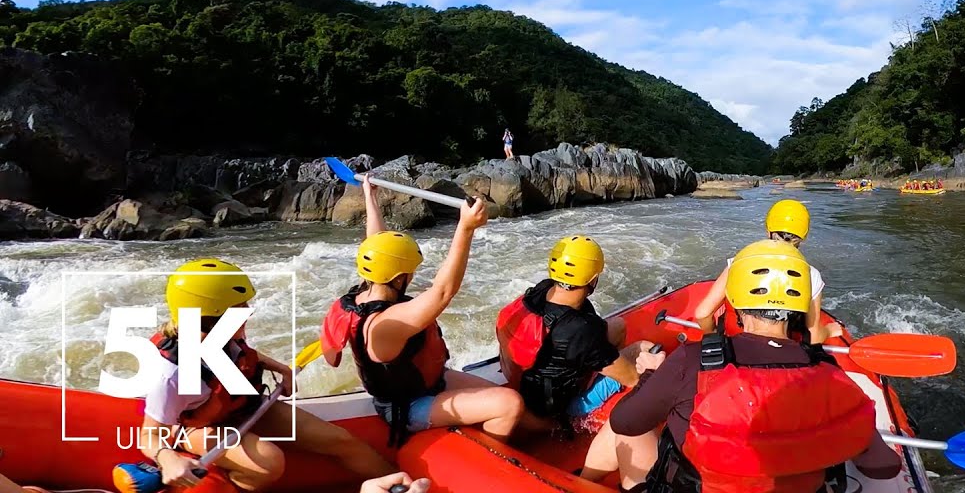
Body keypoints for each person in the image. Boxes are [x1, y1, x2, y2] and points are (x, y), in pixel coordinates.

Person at [599, 240, 901, 493]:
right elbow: (884, 466)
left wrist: (650, 373)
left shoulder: (692, 359)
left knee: (624, 435)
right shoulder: (829, 372)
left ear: (734, 298)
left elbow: (625, 423)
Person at [133, 259, 394, 491]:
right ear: (209, 318)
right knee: (268, 461)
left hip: (239, 407)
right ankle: (231, 485)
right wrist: (167, 458)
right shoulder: (171, 374)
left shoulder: (220, 334)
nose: (249, 311)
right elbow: (149, 436)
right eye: (240, 307)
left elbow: (242, 355)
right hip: (193, 429)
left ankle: (399, 484)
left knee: (341, 440)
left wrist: (280, 368)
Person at [320, 180, 523, 447]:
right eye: (410, 272)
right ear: (398, 278)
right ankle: (489, 458)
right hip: (409, 407)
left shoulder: (369, 287)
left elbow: (377, 243)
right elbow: (442, 292)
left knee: (505, 399)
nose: (413, 276)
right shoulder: (385, 325)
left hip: (429, 384)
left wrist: (370, 196)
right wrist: (465, 228)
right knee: (509, 404)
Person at [496, 236, 659, 437]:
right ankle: (587, 406)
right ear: (593, 280)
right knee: (644, 348)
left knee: (617, 326)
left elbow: (573, 336)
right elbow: (632, 378)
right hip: (563, 407)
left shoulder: (542, 289)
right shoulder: (580, 330)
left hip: (529, 383)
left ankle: (603, 362)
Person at [692, 199, 835, 344]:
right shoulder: (811, 274)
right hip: (784, 349)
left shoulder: (739, 262)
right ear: (803, 237)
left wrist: (713, 335)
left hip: (734, 344)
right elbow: (814, 338)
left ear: (768, 231)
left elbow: (702, 314)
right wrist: (829, 331)